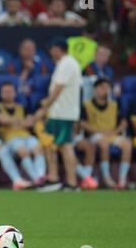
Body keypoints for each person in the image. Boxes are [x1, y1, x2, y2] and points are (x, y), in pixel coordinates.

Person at [34, 37, 93, 191]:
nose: (50, 52)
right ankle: (60, 180)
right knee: (54, 145)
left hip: (61, 113)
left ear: (58, 49)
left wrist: (44, 108)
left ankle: (64, 181)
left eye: (52, 49)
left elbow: (58, 89)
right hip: (63, 112)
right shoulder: (68, 63)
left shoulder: (67, 63)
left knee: (63, 146)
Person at [80, 78, 131, 189]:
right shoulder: (86, 105)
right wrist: (99, 131)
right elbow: (82, 123)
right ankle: (107, 178)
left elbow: (124, 122)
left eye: (107, 88)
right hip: (95, 135)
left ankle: (122, 180)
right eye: (102, 88)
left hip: (112, 134)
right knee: (104, 145)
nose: (105, 90)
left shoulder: (114, 105)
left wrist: (115, 132)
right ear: (95, 89)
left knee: (127, 144)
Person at [0, 82, 46, 187]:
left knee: (38, 148)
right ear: (0, 94)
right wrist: (22, 121)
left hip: (26, 136)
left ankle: (41, 176)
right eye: (5, 91)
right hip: (10, 138)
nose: (8, 94)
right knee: (23, 151)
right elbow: (3, 120)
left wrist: (13, 121)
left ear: (15, 93)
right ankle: (36, 179)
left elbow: (30, 122)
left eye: (10, 91)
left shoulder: (22, 107)